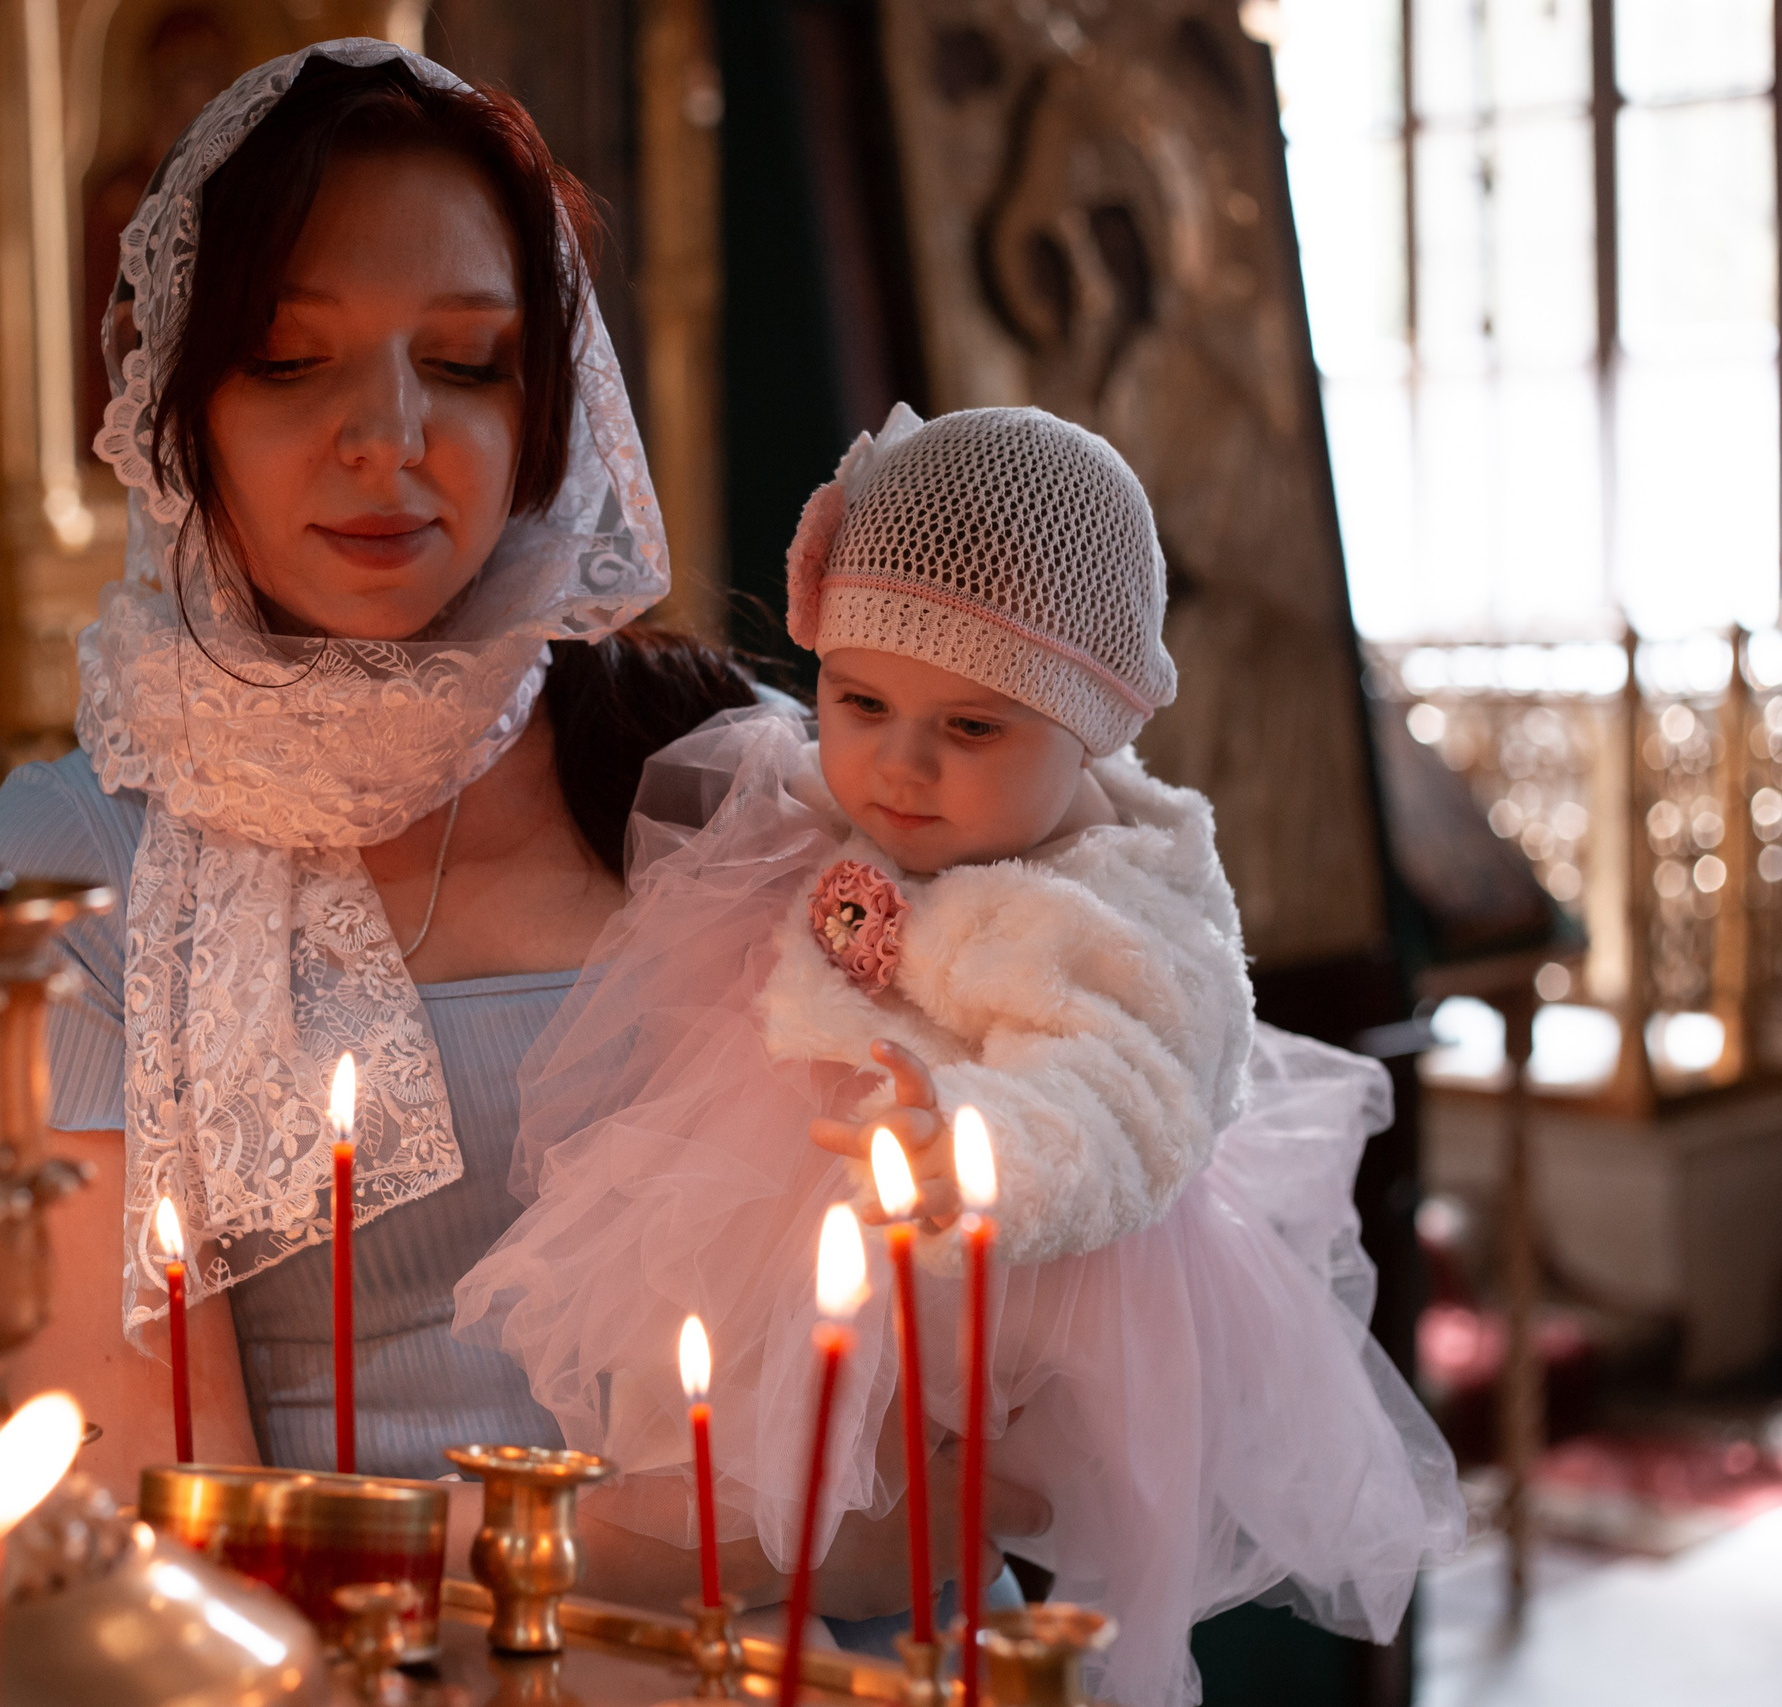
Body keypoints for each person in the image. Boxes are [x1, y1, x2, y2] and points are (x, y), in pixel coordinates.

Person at [0, 40, 1026, 1625]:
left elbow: (935, 1463)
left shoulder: (736, 774)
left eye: (464, 363)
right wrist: (551, 1567)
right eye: (288, 361)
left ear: (553, 404)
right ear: (173, 410)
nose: (388, 438)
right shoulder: (67, 880)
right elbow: (151, 1531)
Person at [455, 404, 1466, 1706]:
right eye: (859, 701)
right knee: (729, 1481)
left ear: (1091, 726)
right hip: (794, 1208)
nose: (901, 763)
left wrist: (977, 1151)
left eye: (974, 729)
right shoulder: (827, 791)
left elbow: (1130, 1095)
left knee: (909, 1558)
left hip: (994, 1264)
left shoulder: (1108, 905)